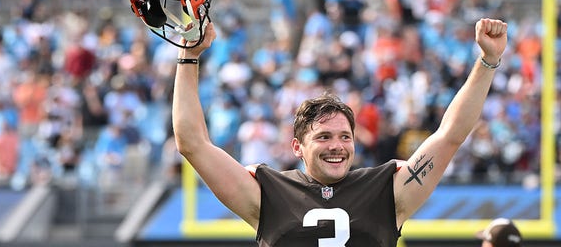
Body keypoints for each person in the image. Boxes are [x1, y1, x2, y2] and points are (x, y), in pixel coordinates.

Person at [172, 17, 507, 246]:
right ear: (297, 147)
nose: (338, 146)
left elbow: (449, 135)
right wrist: (188, 56)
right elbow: (192, 144)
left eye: (345, 136)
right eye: (324, 137)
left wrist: (487, 61)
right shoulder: (268, 192)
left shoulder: (384, 190)